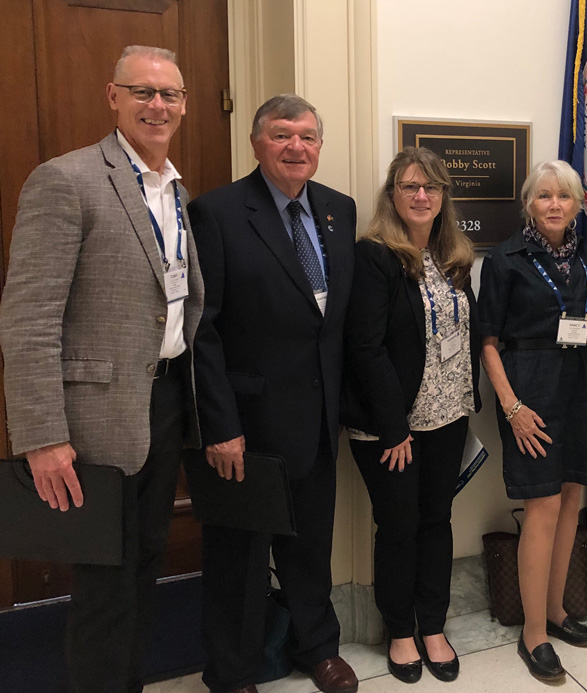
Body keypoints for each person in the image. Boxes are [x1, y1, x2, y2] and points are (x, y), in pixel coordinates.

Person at [0, 45, 203, 692]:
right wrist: (40, 435)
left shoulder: (174, 187)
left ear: (184, 105)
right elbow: (29, 316)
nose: (157, 104)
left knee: (143, 571)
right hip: (93, 420)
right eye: (142, 91)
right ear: (111, 96)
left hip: (165, 404)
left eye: (169, 93)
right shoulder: (66, 179)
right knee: (104, 589)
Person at [188, 94, 358, 693]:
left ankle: (319, 648)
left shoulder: (340, 210)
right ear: (257, 142)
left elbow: (337, 322)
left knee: (311, 546)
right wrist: (220, 425)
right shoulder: (218, 212)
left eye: (308, 136)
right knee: (239, 555)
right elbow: (202, 330)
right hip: (248, 424)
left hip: (317, 419)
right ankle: (231, 672)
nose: (297, 147)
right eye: (283, 135)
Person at [341, 147, 481, 684]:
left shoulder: (454, 258)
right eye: (409, 187)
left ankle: (434, 625)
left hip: (447, 416)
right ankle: (400, 630)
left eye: (431, 187)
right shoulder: (376, 255)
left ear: (444, 197)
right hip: (391, 426)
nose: (421, 196)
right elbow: (365, 347)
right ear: (393, 195)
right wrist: (394, 426)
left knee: (436, 521)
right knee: (398, 526)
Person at [477, 161, 587, 681]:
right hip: (528, 387)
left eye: (565, 197)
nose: (555, 205)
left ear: (579, 204)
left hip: (579, 381)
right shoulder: (506, 259)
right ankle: (533, 633)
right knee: (543, 503)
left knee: (573, 496)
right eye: (544, 196)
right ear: (528, 204)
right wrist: (511, 407)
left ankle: (557, 613)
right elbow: (487, 341)